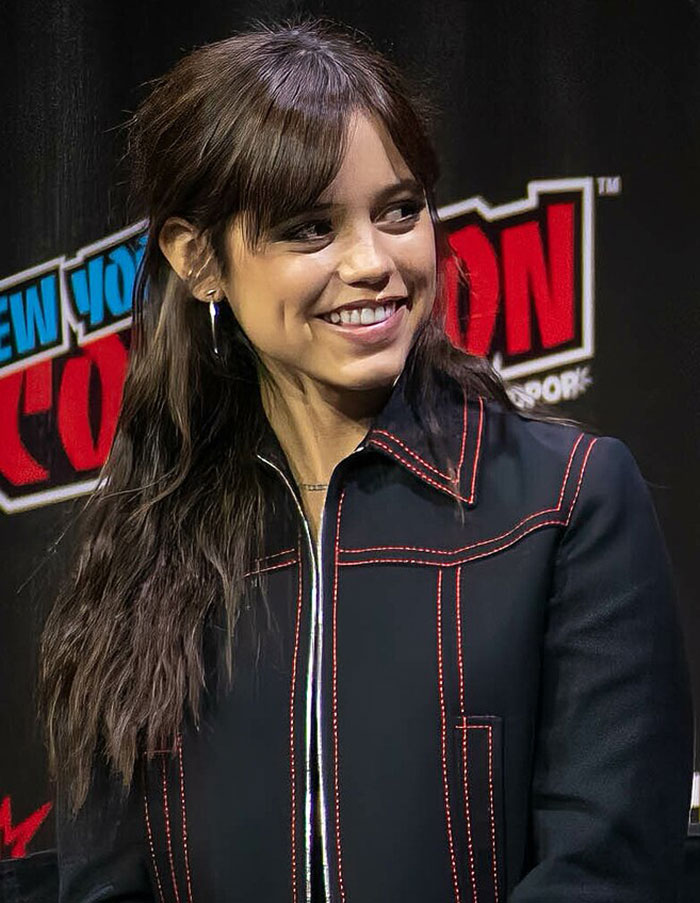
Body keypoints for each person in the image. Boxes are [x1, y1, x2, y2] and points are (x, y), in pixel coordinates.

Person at [39, 16, 694, 903]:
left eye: (399, 210)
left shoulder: (569, 500)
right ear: (200, 260)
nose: (373, 263)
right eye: (310, 228)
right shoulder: (139, 549)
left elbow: (610, 870)